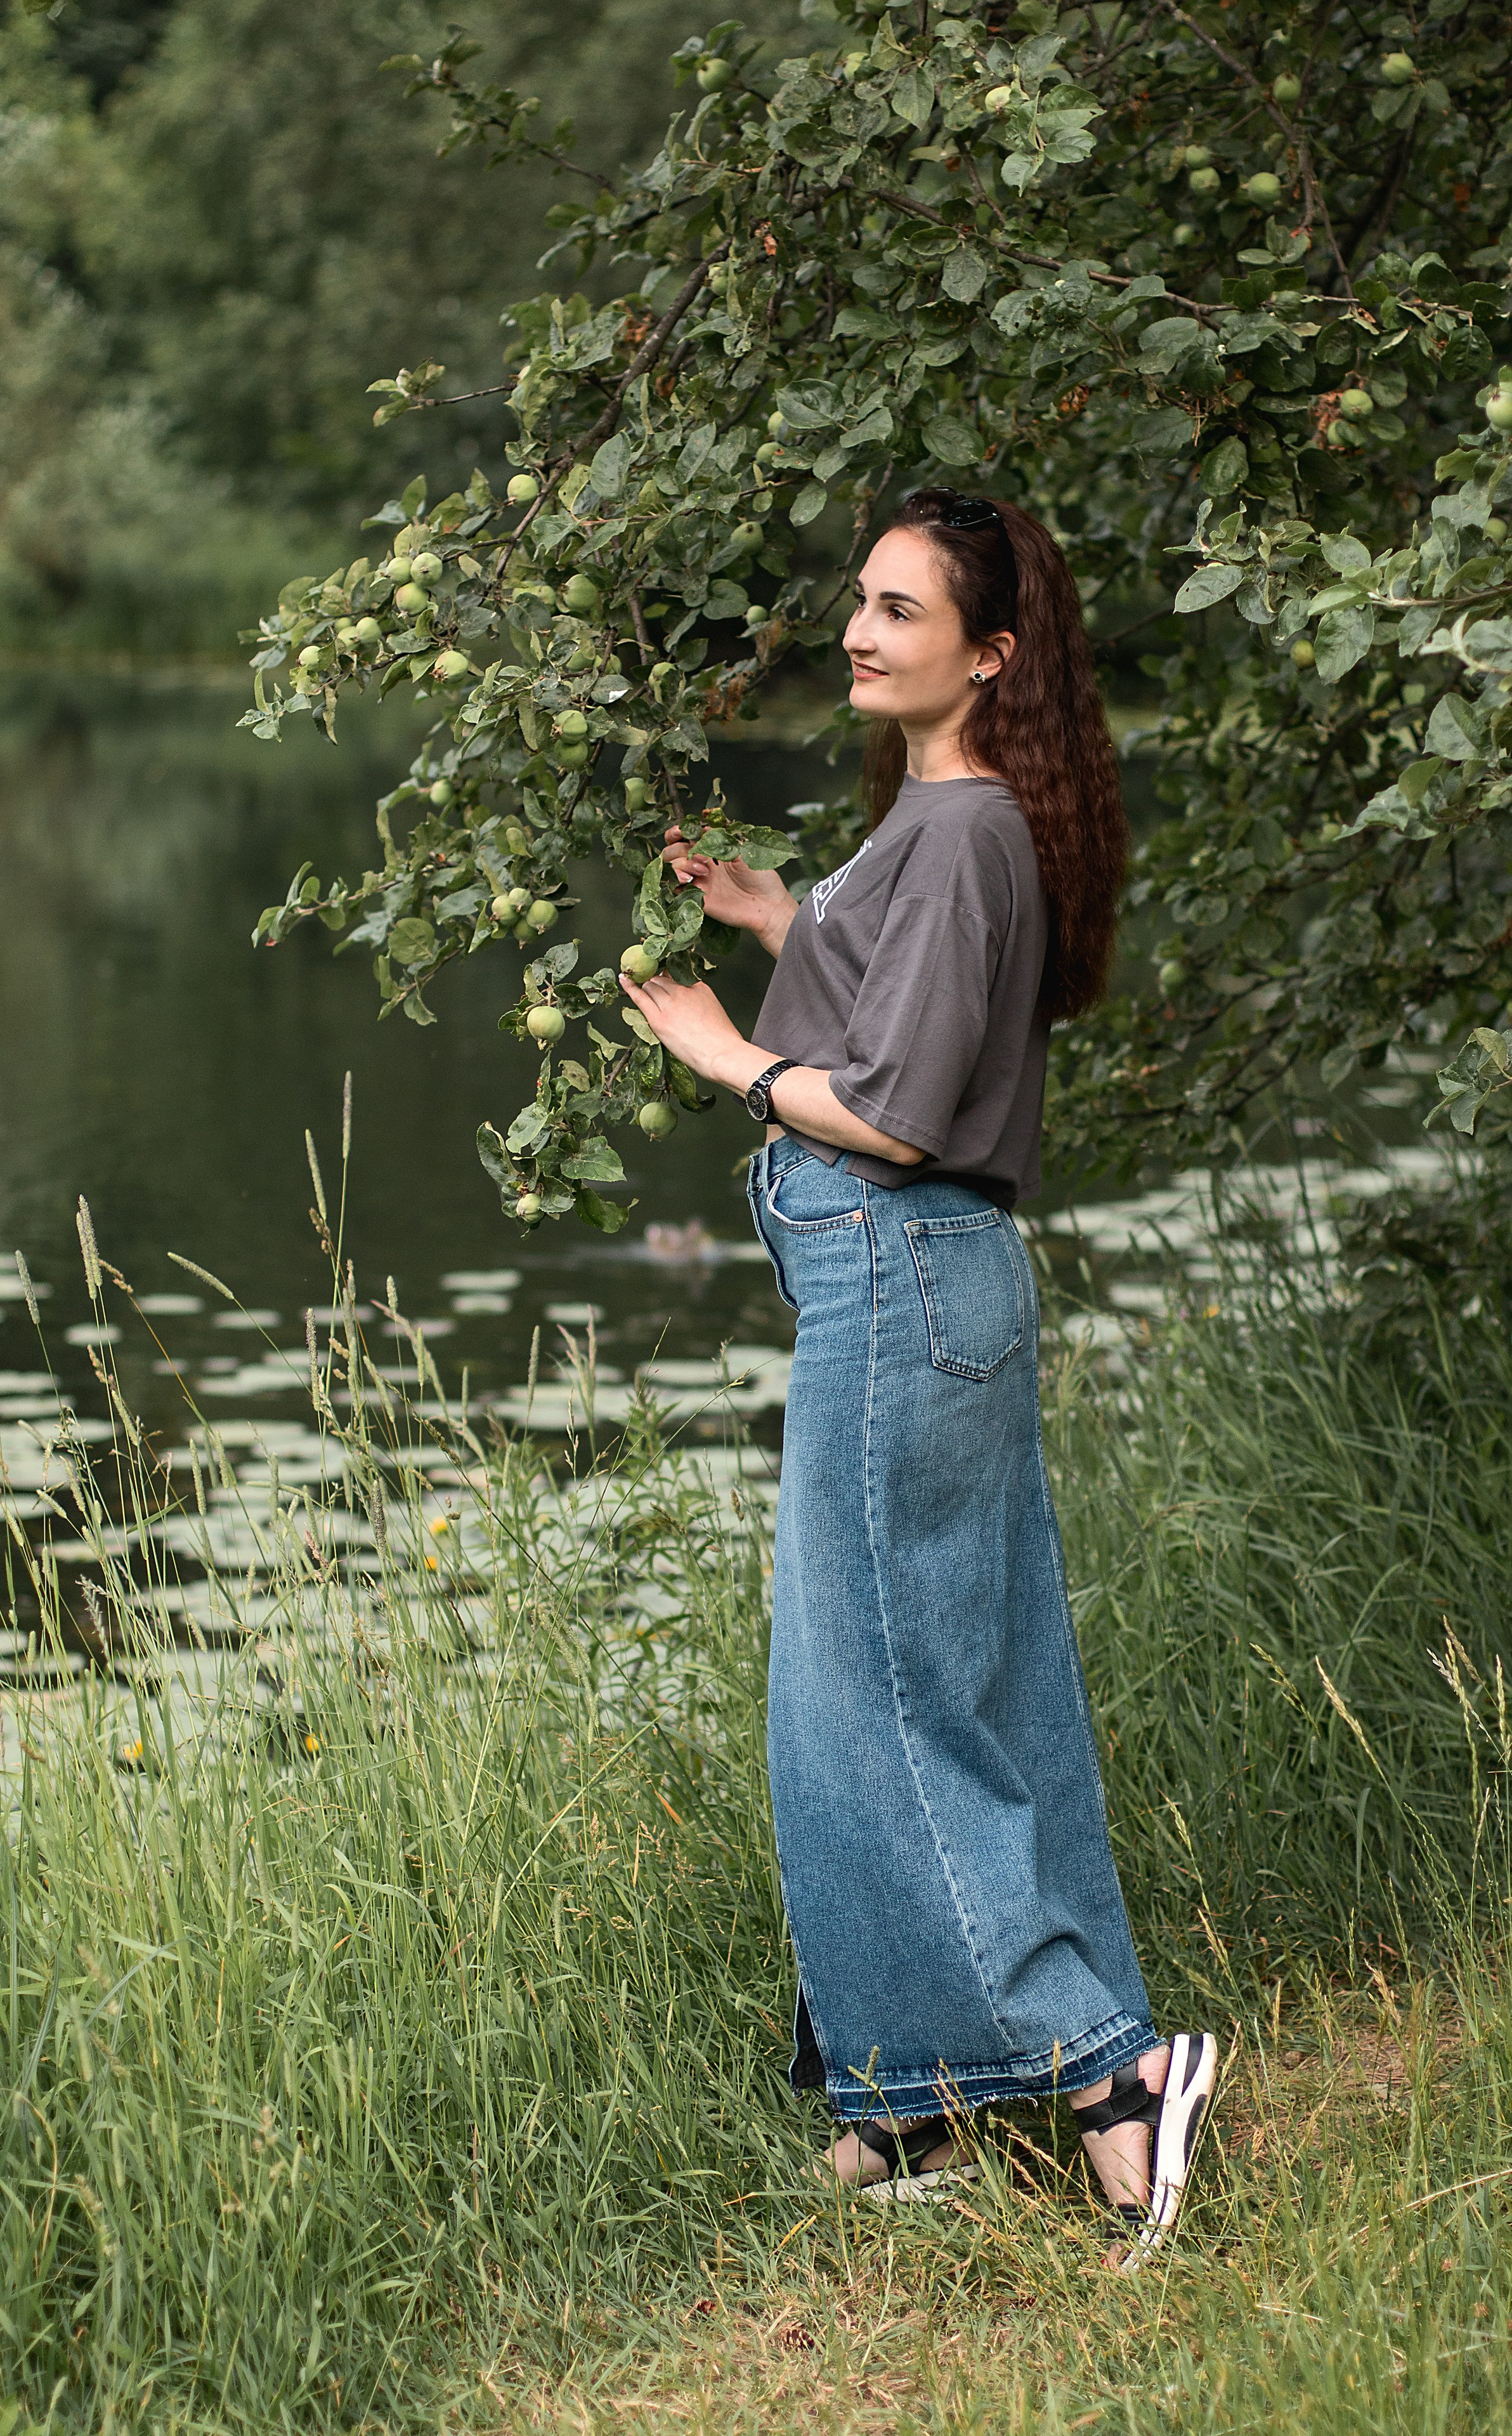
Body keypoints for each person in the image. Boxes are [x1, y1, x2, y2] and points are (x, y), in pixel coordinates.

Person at [618, 485, 1216, 2263]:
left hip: (902, 1279)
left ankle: (1116, 2079)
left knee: (892, 1700)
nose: (864, 631)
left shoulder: (965, 833)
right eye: (859, 604)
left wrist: (727, 1054)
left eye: (902, 609)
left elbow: (891, 1111)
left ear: (994, 651)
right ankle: (911, 2100)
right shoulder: (949, 821)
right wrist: (777, 918)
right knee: (906, 1684)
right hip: (914, 1293)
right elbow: (902, 1013)